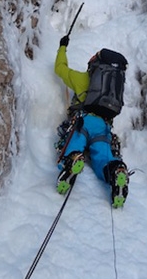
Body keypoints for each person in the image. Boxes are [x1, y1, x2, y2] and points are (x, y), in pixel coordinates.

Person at [54, 34, 130, 208]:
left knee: (74, 143)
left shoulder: (82, 80)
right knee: (104, 157)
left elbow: (59, 68)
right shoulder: (113, 89)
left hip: (83, 121)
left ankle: (72, 161)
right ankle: (115, 171)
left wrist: (63, 47)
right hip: (103, 127)